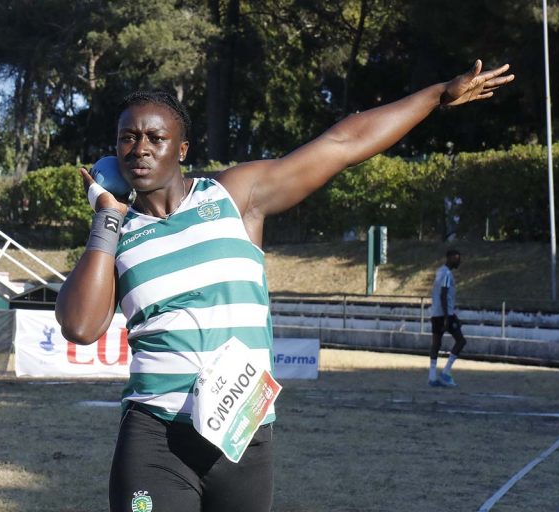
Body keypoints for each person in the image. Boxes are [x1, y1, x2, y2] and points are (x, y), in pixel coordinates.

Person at [55, 60, 514, 511]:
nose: (140, 148)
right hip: (156, 436)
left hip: (242, 432)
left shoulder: (235, 196)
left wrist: (436, 95)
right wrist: (108, 218)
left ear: (182, 149)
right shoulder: (115, 236)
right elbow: (79, 326)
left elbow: (342, 142)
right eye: (127, 139)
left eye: (156, 137)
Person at [428, 249, 467, 387]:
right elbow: (443, 295)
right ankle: (445, 372)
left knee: (436, 344)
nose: (459, 261)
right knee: (461, 341)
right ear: (450, 258)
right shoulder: (446, 274)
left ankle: (432, 377)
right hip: (445, 314)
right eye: (457, 258)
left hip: (436, 313)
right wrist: (447, 317)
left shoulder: (439, 271)